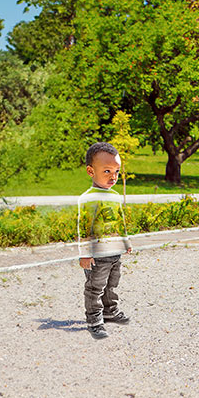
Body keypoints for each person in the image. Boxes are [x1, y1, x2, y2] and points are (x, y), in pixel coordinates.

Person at [77, 142, 133, 340]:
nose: (113, 176)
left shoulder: (116, 197)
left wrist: (125, 242)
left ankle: (110, 311)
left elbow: (119, 221)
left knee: (111, 284)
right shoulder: (88, 198)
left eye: (117, 171)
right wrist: (84, 253)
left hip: (114, 252)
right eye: (107, 170)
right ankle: (94, 320)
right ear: (91, 171)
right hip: (97, 255)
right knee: (95, 287)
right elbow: (84, 227)